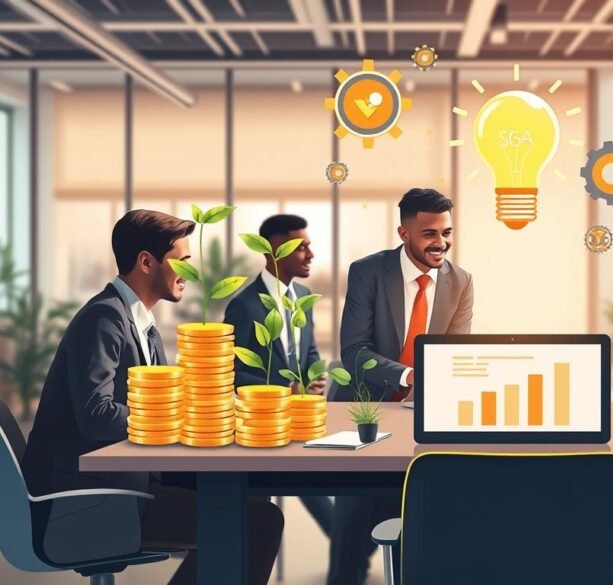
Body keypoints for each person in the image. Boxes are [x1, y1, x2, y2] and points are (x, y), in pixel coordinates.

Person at [22, 210, 283, 585]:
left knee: (239, 498)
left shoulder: (140, 323)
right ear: (147, 262)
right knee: (258, 522)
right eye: (183, 261)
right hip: (85, 501)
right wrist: (174, 417)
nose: (189, 274)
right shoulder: (104, 319)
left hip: (126, 484)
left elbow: (159, 402)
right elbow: (96, 415)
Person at [329, 188, 473, 585]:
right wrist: (409, 376)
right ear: (404, 233)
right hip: (366, 411)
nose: (440, 243)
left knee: (419, 521)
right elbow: (354, 352)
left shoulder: (460, 281)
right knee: (353, 529)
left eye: (446, 232)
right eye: (429, 233)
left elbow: (455, 355)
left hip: (421, 415)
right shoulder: (369, 272)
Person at [224, 214, 334, 537]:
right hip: (260, 425)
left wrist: (315, 377)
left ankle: (349, 552)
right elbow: (230, 373)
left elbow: (308, 350)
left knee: (306, 484)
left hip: (299, 420)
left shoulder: (304, 299)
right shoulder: (243, 306)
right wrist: (284, 388)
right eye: (301, 248)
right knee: (257, 509)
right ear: (275, 249)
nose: (310, 255)